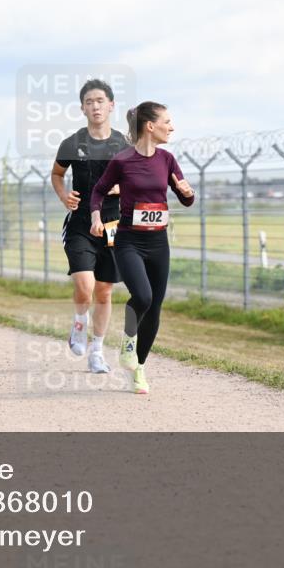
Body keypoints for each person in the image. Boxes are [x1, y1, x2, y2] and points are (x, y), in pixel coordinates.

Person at [89, 102, 194, 394]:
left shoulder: (168, 159)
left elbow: (184, 196)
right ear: (150, 126)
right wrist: (96, 217)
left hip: (158, 241)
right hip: (129, 240)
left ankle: (139, 368)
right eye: (167, 121)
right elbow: (98, 190)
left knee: (156, 307)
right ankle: (128, 339)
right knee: (143, 296)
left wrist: (188, 193)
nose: (171, 127)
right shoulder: (122, 161)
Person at [50, 79, 127, 373]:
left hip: (113, 224)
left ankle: (97, 351)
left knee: (105, 291)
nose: (95, 106)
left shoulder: (123, 144)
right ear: (82, 107)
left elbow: (136, 177)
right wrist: (62, 195)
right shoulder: (72, 143)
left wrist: (123, 188)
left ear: (111, 105)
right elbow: (57, 174)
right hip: (81, 223)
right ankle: (78, 324)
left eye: (100, 101)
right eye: (89, 101)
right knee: (85, 286)